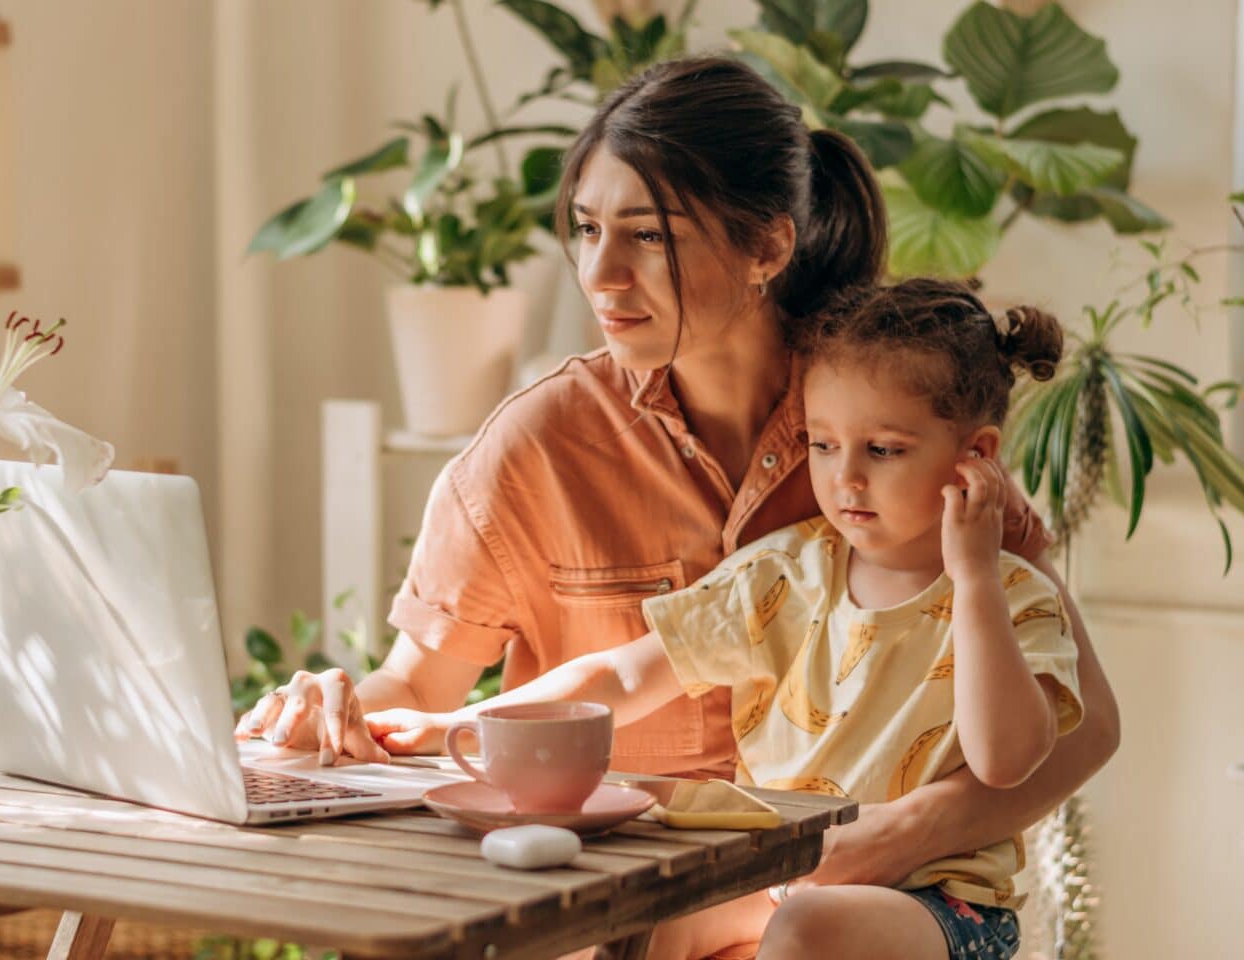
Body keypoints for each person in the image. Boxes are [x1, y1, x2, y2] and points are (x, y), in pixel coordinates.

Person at [237, 56, 1119, 957]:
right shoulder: (535, 446)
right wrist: (335, 716)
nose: (601, 273)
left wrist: (910, 831)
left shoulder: (899, 440)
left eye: (647, 236)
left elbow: (1086, 726)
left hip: (852, 911)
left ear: (767, 248)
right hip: (625, 908)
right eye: (585, 228)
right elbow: (423, 692)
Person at [364, 278, 1084, 959]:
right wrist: (466, 727)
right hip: (780, 878)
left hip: (940, 905)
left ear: (976, 458)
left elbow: (1005, 760)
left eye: (883, 450)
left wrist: (976, 578)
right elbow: (621, 674)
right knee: (637, 916)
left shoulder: (1016, 597)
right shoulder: (784, 573)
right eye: (823, 445)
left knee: (808, 927)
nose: (846, 478)